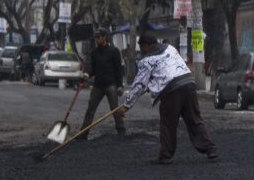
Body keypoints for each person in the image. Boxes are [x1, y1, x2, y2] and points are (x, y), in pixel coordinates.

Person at [122, 32, 218, 164]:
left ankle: (165, 155)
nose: (141, 51)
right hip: (189, 83)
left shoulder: (146, 60)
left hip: (172, 90)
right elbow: (167, 69)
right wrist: (154, 83)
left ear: (146, 45)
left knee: (168, 123)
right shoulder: (170, 48)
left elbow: (138, 85)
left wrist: (126, 105)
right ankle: (210, 149)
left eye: (141, 47)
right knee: (194, 119)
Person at [80, 29, 126, 139]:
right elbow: (93, 69)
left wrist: (120, 86)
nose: (97, 39)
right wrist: (87, 74)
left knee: (114, 108)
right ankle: (83, 133)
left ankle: (121, 130)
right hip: (98, 86)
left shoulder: (114, 51)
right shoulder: (94, 52)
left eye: (99, 37)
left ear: (105, 37)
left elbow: (118, 70)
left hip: (111, 85)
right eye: (96, 37)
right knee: (90, 109)